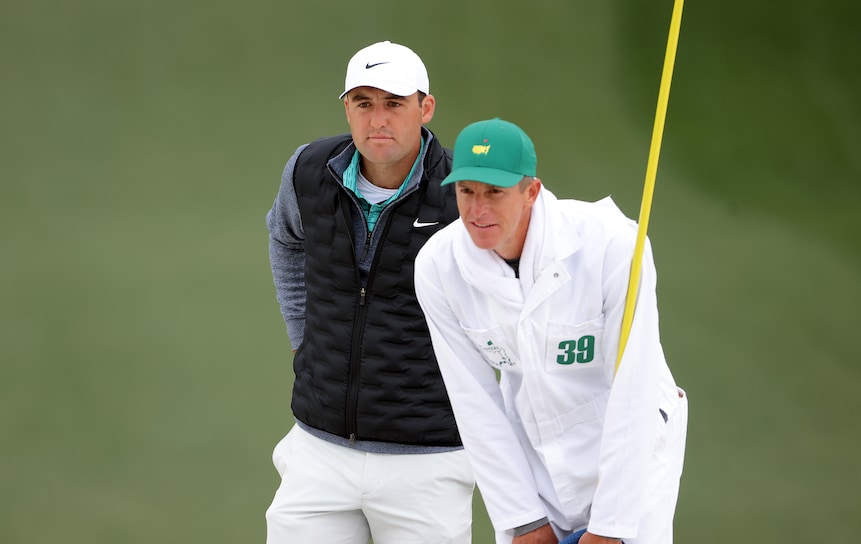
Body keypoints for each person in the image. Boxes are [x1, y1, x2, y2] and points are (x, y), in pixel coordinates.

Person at [414, 118, 688, 544]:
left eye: (494, 193)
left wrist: (609, 527)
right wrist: (523, 520)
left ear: (532, 191)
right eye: (466, 191)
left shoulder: (614, 245)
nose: (477, 209)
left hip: (631, 454)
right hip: (533, 455)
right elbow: (475, 404)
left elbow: (633, 390)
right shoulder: (437, 266)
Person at [264, 41, 473, 544]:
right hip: (319, 449)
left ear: (425, 108)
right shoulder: (310, 170)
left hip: (429, 461)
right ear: (347, 109)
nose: (378, 119)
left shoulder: (464, 190)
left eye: (394, 104)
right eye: (364, 103)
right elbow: (284, 237)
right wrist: (301, 336)